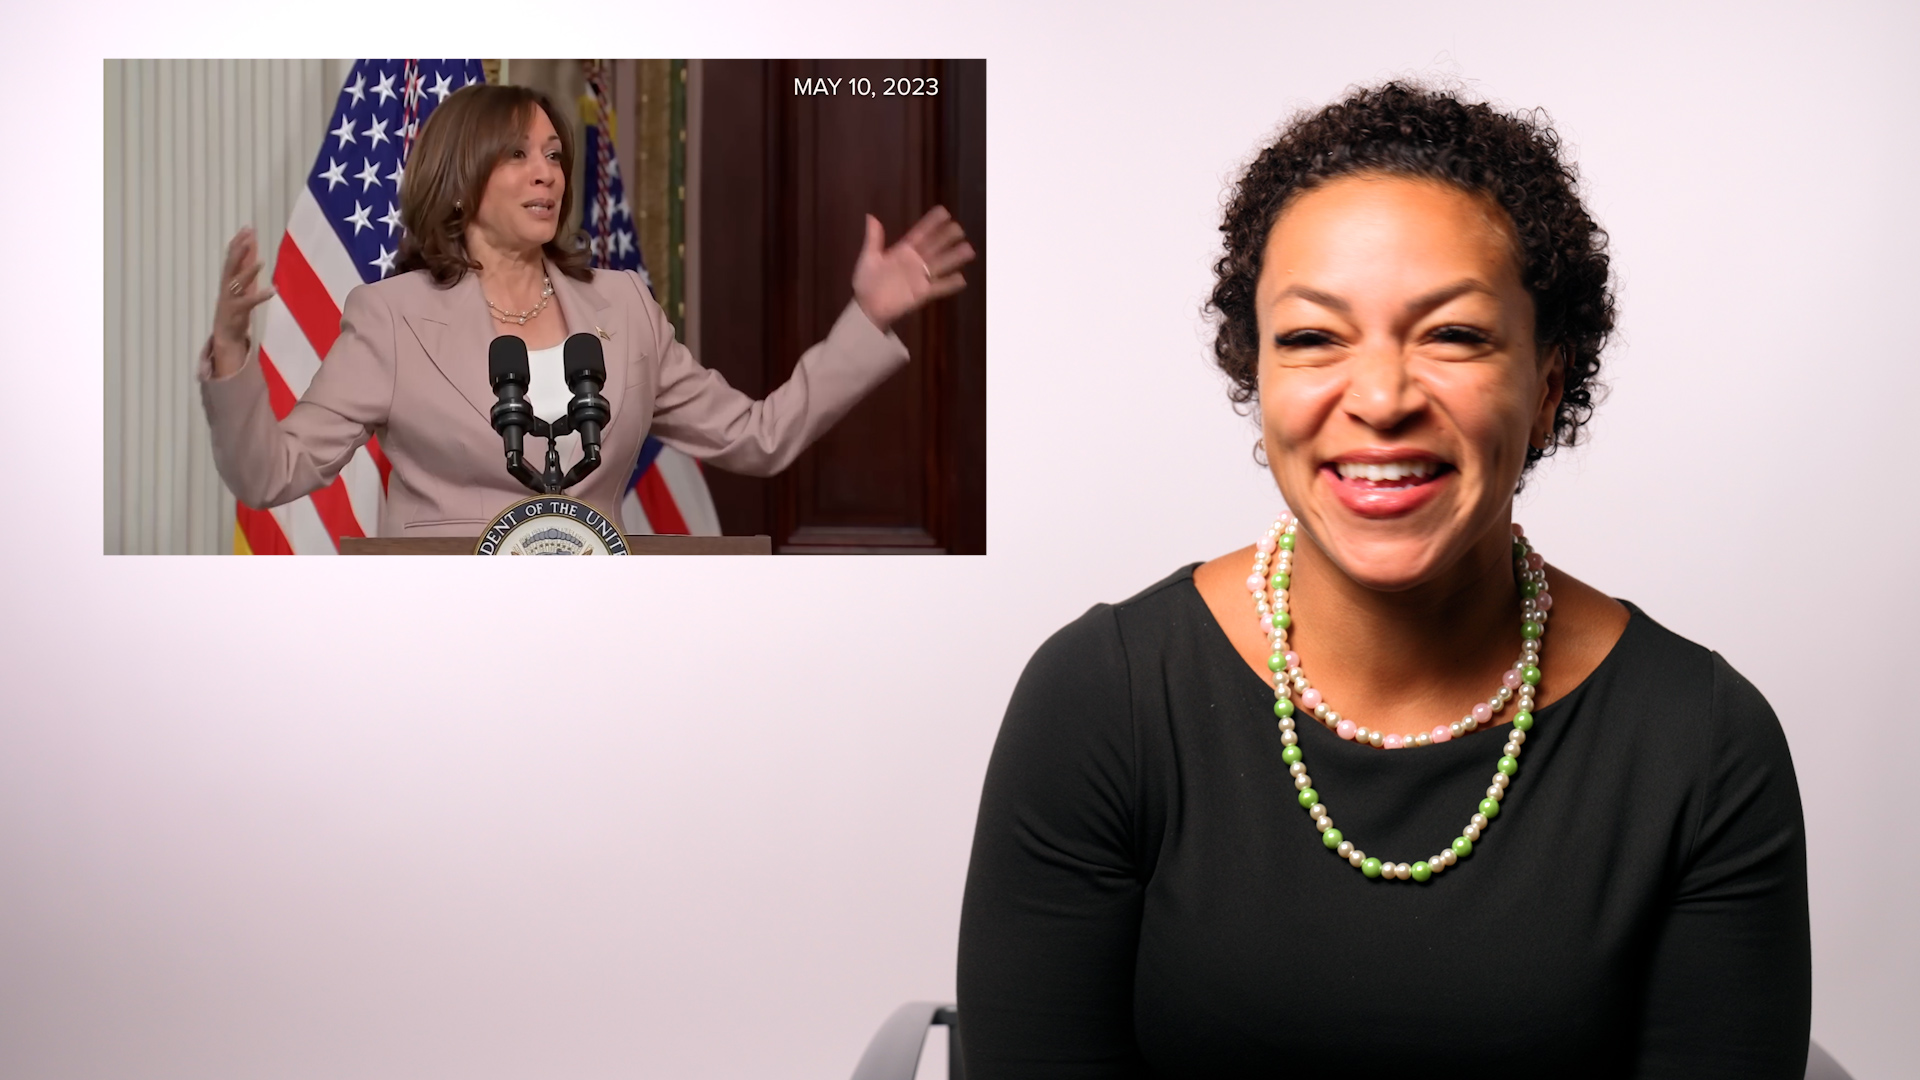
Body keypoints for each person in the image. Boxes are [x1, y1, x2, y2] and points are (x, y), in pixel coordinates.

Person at [957, 83, 1809, 1078]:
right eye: (1314, 337)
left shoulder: (1700, 742)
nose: (1379, 398)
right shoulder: (1103, 698)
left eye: (1453, 334)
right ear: (1257, 376)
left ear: (1546, 387)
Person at [198, 84, 974, 537]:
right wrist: (233, 350)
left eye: (555, 156)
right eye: (519, 155)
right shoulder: (391, 317)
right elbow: (271, 473)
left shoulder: (623, 307)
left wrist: (865, 317)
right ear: (463, 180)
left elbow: (757, 437)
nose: (548, 175)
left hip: (603, 648)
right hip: (441, 649)